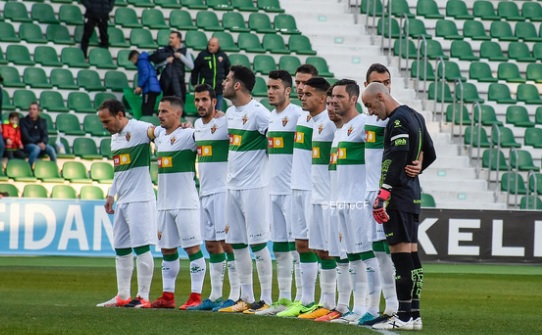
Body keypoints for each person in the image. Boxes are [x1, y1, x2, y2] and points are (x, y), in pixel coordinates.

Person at [362, 82, 436, 330]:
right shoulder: (415, 116)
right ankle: (414, 314)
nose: (371, 112)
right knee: (412, 256)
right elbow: (431, 152)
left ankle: (403, 315)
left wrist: (383, 193)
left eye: (370, 106)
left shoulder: (396, 121)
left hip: (398, 196)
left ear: (381, 97)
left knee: (401, 258)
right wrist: (419, 168)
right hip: (413, 194)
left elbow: (396, 157)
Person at [217, 65, 272, 314]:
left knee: (258, 244)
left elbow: (277, 145)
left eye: (227, 80)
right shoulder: (229, 113)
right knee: (237, 244)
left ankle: (266, 298)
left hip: (255, 187)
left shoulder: (260, 113)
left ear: (237, 85)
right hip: (233, 187)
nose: (223, 83)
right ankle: (246, 297)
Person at [328, 79, 381, 325]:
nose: (334, 101)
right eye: (332, 97)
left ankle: (372, 307)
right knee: (352, 257)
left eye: (340, 96)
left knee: (367, 256)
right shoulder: (341, 130)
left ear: (353, 99)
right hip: (342, 201)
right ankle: (358, 308)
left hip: (359, 201)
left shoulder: (364, 123)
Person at [96, 99, 156, 308]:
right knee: (120, 247)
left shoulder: (139, 129)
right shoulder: (115, 139)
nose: (105, 126)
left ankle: (144, 297)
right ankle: (122, 295)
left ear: (120, 115)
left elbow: (158, 133)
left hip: (140, 199)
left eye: (107, 121)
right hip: (123, 201)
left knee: (141, 247)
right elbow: (119, 170)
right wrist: (112, 194)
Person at [149, 96, 207, 310]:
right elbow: (148, 131)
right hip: (163, 204)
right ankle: (168, 296)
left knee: (193, 249)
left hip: (185, 203)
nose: (160, 115)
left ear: (178, 114)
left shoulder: (189, 135)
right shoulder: (159, 135)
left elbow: (208, 132)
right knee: (167, 250)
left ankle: (195, 296)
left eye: (164, 111)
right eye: (159, 111)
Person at [255, 70, 302, 316]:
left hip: (292, 192)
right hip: (273, 192)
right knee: (281, 249)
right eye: (268, 87)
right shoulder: (270, 118)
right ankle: (283, 300)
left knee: (298, 249)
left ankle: (301, 300)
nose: (270, 91)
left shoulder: (298, 115)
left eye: (275, 87)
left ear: (288, 90)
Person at [190, 84, 240, 312]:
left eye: (204, 100)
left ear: (214, 101)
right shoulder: (196, 126)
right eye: (197, 100)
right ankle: (216, 294)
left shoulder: (225, 122)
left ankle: (237, 293)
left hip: (222, 192)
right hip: (205, 192)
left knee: (228, 244)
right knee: (211, 245)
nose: (200, 104)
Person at [277, 64, 319, 318]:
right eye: (298, 83)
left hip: (316, 190)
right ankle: (303, 299)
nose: (301, 88)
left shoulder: (327, 117)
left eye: (306, 83)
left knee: (323, 248)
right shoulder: (299, 115)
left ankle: (323, 301)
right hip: (296, 187)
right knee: (301, 245)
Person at [314, 86, 351, 323]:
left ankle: (346, 305)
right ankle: (336, 303)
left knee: (349, 254)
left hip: (348, 201)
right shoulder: (337, 133)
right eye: (328, 103)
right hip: (332, 199)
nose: (331, 107)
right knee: (337, 253)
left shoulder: (350, 129)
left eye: (335, 102)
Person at [149, 31, 194, 106]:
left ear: (178, 39)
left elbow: (191, 66)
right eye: (170, 37)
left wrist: (181, 57)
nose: (170, 39)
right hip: (167, 82)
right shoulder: (164, 50)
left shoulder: (185, 51)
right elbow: (156, 65)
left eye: (172, 38)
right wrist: (166, 61)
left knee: (180, 103)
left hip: (179, 81)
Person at [190, 37, 231, 111]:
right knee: (204, 110)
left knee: (217, 111)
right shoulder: (202, 55)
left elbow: (228, 70)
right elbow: (195, 69)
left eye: (213, 45)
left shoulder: (223, 56)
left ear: (218, 46)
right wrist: (194, 83)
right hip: (205, 89)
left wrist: (226, 82)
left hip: (218, 89)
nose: (210, 47)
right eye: (209, 45)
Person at [20, 103, 57, 167]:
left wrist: (43, 143)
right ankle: (29, 167)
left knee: (51, 149)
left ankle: (54, 168)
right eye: (30, 109)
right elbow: (25, 136)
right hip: (27, 144)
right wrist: (38, 143)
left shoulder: (42, 121)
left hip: (40, 144)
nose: (32, 111)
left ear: (38, 112)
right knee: (36, 148)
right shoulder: (23, 121)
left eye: (34, 109)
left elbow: (45, 135)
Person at [129, 50, 162, 117]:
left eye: (132, 60)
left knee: (146, 110)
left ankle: (146, 126)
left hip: (149, 89)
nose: (133, 63)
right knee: (150, 109)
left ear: (134, 57)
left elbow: (145, 73)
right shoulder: (147, 61)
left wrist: (139, 86)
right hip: (153, 88)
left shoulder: (141, 62)